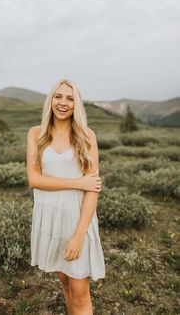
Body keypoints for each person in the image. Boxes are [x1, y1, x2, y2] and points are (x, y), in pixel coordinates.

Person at [26, 79, 105, 315]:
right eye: (58, 96)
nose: (63, 103)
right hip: (49, 217)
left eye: (70, 98)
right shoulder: (36, 134)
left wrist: (79, 234)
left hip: (77, 220)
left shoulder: (87, 136)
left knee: (80, 291)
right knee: (65, 282)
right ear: (50, 100)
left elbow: (92, 188)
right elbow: (34, 179)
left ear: (76, 104)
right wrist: (77, 182)